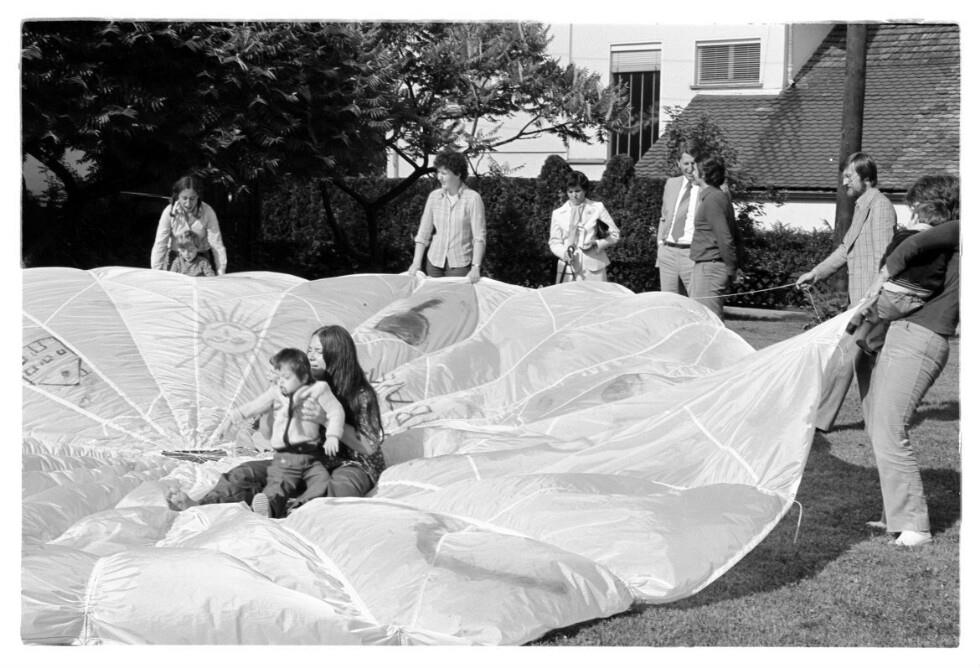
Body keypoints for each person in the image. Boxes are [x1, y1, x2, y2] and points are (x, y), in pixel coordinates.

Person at [167, 325, 386, 511]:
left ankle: (290, 510)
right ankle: (201, 505)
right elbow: (266, 432)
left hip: (353, 464)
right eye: (309, 350)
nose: (311, 356)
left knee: (340, 487)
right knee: (245, 473)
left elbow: (369, 446)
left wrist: (325, 419)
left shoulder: (360, 395)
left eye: (318, 352)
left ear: (337, 355)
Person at [860, 174, 958, 547]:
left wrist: (883, 276)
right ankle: (896, 515)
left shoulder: (957, 231)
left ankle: (915, 525)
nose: (912, 214)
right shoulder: (946, 237)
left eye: (916, 206)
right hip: (905, 333)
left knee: (889, 426)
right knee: (878, 424)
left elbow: (912, 244)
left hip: (921, 338)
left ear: (934, 204)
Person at [795, 152, 896, 431]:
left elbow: (886, 259)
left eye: (849, 176)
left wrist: (871, 300)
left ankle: (817, 421)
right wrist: (815, 274)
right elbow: (844, 251)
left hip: (869, 302)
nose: (844, 182)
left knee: (842, 357)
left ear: (867, 178)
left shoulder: (881, 207)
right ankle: (878, 422)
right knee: (865, 365)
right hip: (861, 300)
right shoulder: (863, 206)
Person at [221, 348, 345, 518]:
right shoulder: (277, 392)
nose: (280, 382)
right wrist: (231, 418)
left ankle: (299, 507)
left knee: (321, 481)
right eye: (278, 377)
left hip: (311, 456)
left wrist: (333, 435)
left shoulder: (319, 389)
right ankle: (268, 507)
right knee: (280, 481)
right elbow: (253, 407)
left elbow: (336, 411)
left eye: (285, 377)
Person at [845, 198, 952, 353]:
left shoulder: (904, 236)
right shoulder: (944, 244)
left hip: (895, 295)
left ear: (916, 218)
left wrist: (880, 278)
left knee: (869, 304)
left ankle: (852, 324)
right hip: (921, 298)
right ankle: (874, 343)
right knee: (892, 317)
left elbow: (887, 261)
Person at [407, 150, 486, 283]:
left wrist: (475, 267)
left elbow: (479, 237)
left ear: (458, 174)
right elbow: (423, 233)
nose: (439, 177)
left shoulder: (473, 199)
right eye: (438, 172)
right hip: (434, 263)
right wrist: (416, 263)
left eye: (444, 173)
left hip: (460, 265)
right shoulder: (434, 197)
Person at [688, 155, 740, 320]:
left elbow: (725, 237)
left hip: (710, 268)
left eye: (694, 169)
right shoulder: (714, 197)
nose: (691, 171)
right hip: (706, 266)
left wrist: (732, 268)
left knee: (709, 321)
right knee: (701, 320)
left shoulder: (713, 199)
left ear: (703, 174)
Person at [548, 170, 620, 283]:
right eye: (570, 192)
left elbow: (615, 234)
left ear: (585, 190)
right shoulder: (557, 213)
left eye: (578, 191)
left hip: (594, 268)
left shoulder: (598, 208)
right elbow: (554, 242)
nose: (574, 195)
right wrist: (563, 253)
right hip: (568, 268)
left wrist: (596, 244)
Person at [151, 175, 228, 276]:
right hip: (176, 259)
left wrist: (221, 272)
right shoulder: (169, 212)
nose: (188, 204)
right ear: (178, 196)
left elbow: (217, 244)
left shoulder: (208, 212)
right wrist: (156, 272)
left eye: (192, 199)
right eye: (184, 198)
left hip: (201, 260)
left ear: (198, 196)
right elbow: (160, 243)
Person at [656, 144, 700, 295]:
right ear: (678, 164)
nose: (690, 168)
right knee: (669, 302)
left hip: (693, 254)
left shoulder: (707, 187)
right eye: (686, 163)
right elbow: (664, 217)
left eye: (694, 163)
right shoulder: (671, 183)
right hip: (668, 253)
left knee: (697, 301)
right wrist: (660, 245)